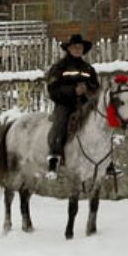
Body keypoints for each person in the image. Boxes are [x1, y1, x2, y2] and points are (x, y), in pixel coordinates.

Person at [46, 33, 100, 175]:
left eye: (80, 47)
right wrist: (73, 91)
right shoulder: (59, 68)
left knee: (101, 123)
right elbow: (52, 89)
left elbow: (96, 87)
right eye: (74, 47)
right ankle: (54, 158)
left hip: (86, 105)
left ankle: (107, 161)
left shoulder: (89, 69)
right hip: (65, 104)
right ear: (69, 49)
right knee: (61, 123)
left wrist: (88, 91)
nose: (77, 49)